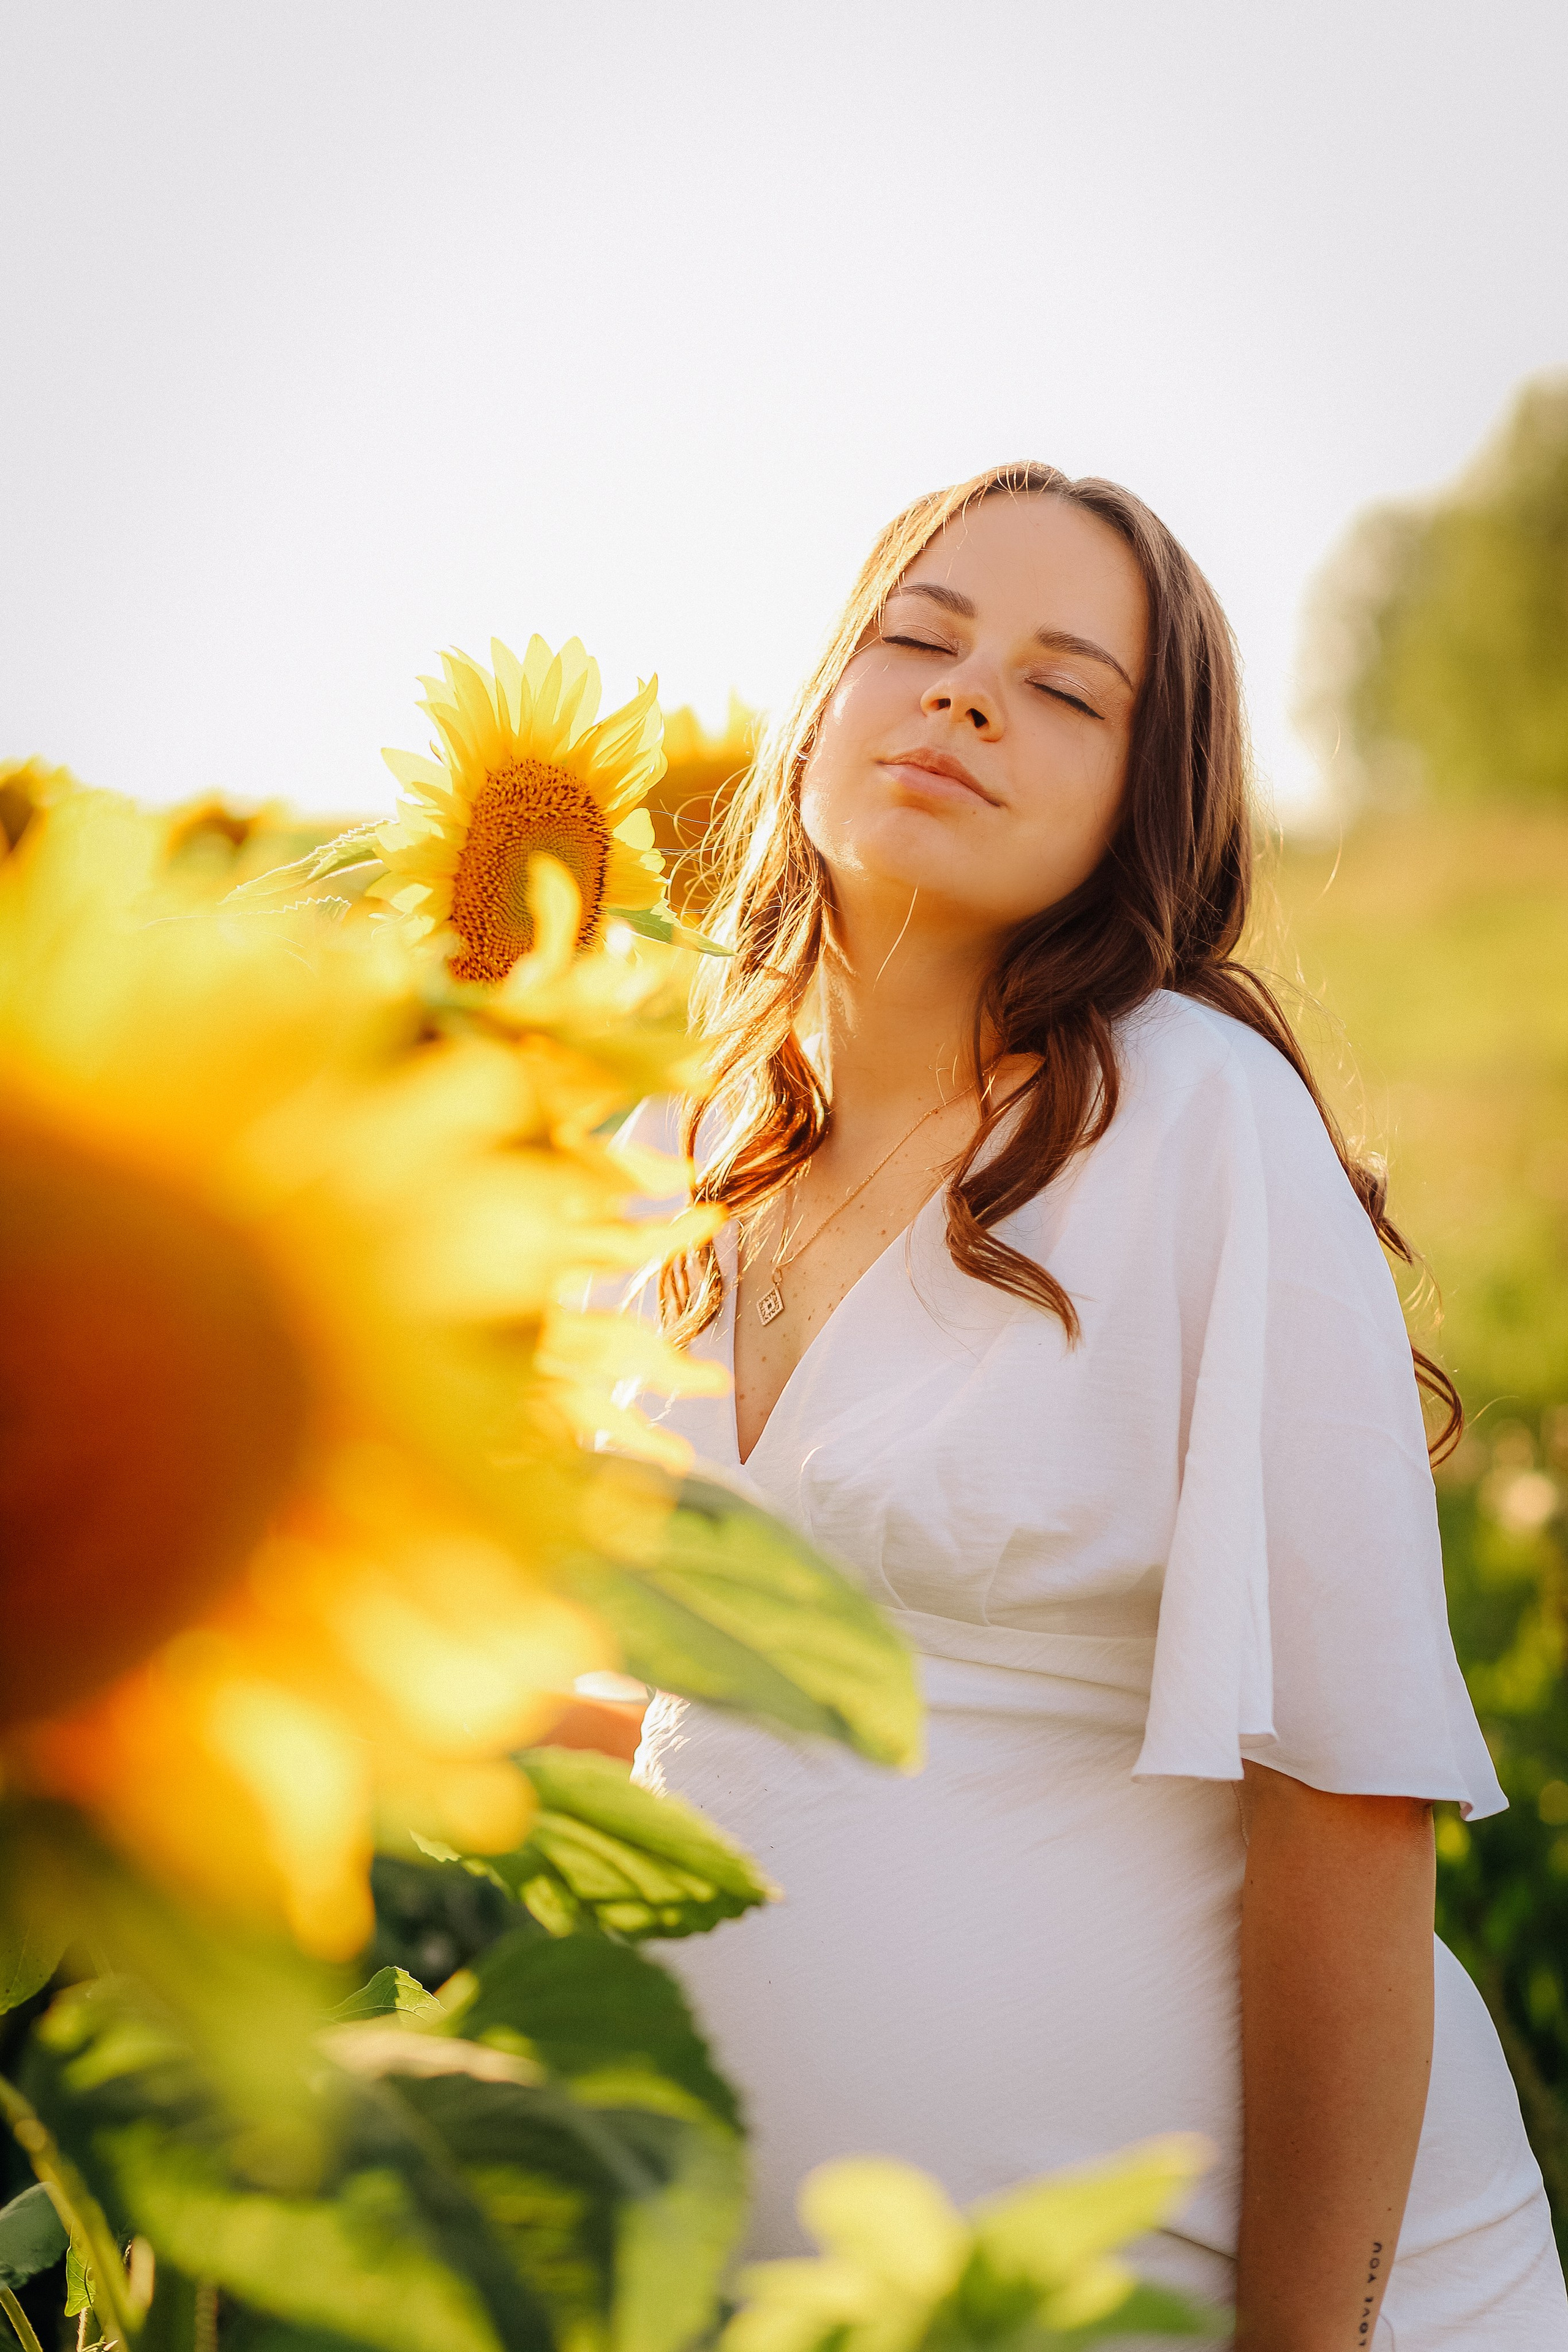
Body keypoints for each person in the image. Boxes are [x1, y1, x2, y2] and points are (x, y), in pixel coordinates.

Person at [615, 463, 1568, 2349]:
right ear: (821, 698)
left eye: (1066, 688)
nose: (967, 695)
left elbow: (1347, 1803)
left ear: (1150, 799)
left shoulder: (1195, 1121)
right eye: (923, 637)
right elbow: (700, 1714)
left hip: (1209, 2300)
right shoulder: (676, 1135)